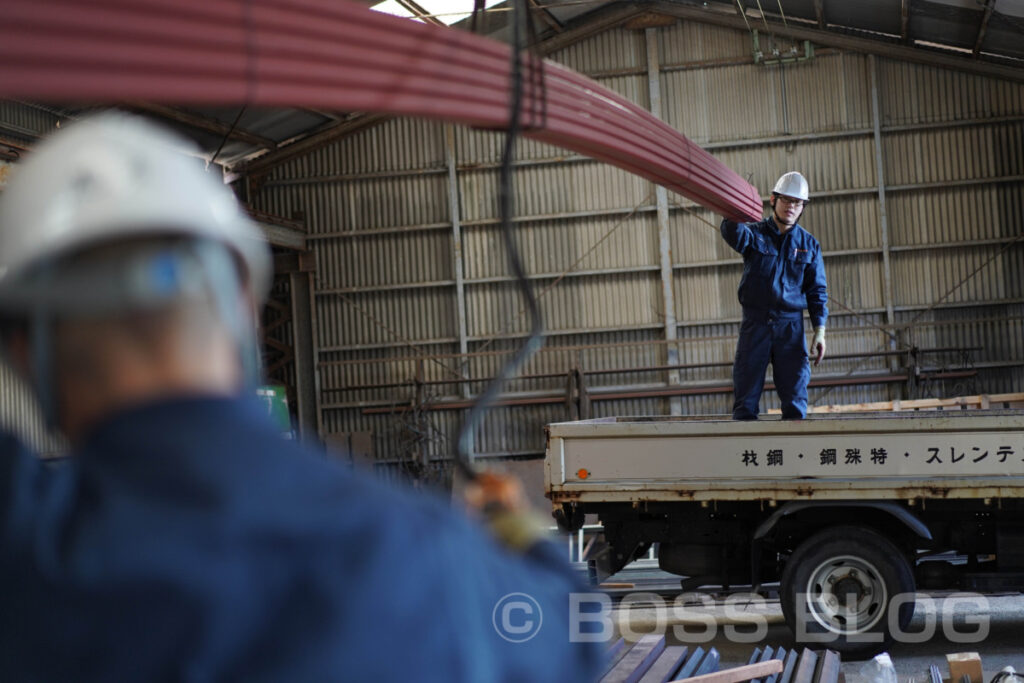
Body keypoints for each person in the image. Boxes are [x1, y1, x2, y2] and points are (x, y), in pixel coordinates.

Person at [0, 114, 600, 682]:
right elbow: (574, 629)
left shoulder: (26, 558)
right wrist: (508, 526)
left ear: (24, 353)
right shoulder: (428, 560)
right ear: (242, 308)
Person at [720, 171, 828, 420]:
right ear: (773, 199)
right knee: (745, 402)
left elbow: (817, 292)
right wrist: (734, 205)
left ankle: (794, 455)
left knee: (795, 402)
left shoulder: (809, 246)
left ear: (802, 207)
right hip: (755, 324)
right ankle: (746, 455)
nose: (791, 207)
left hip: (790, 327)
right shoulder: (754, 234)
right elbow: (732, 233)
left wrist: (820, 332)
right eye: (787, 200)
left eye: (797, 203)